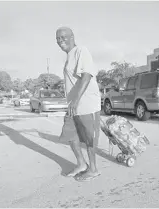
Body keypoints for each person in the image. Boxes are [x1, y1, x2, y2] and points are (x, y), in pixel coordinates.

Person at [56, 27, 102, 182]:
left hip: (87, 103)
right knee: (70, 134)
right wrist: (72, 102)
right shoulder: (69, 57)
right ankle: (81, 164)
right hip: (73, 105)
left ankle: (93, 169)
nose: (60, 41)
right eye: (58, 39)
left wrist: (76, 100)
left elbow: (87, 76)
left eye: (63, 37)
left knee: (89, 138)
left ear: (72, 37)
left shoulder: (81, 51)